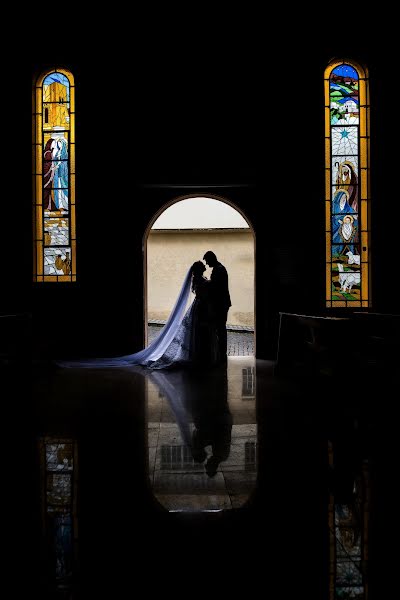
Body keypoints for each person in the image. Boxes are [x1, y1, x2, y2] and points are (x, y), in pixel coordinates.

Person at [58, 260, 219, 370]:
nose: (205, 267)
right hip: (200, 308)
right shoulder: (200, 280)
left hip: (200, 308)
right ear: (198, 270)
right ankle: (198, 358)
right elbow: (204, 293)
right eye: (202, 266)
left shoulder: (200, 279)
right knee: (196, 332)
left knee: (196, 333)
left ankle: (198, 357)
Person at [203, 251, 231, 366]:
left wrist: (205, 283)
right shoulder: (220, 268)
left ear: (211, 259)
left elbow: (215, 287)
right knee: (220, 328)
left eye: (207, 261)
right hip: (223, 303)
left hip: (220, 304)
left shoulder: (218, 269)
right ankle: (221, 354)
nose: (206, 263)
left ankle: (222, 354)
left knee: (220, 329)